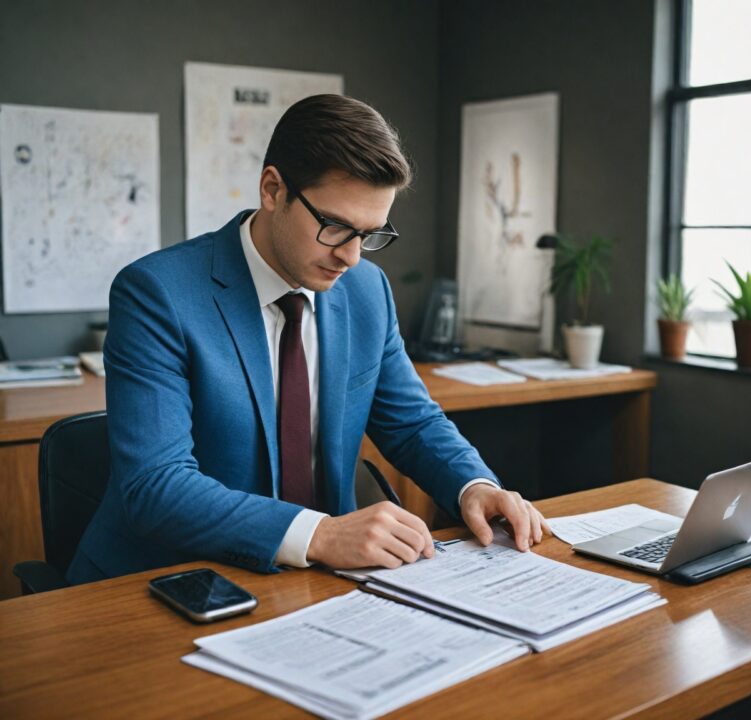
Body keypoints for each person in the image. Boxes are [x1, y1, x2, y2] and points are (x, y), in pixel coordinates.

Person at [67, 94, 550, 584]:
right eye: (336, 227)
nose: (353, 258)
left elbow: (411, 424)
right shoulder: (158, 293)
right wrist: (319, 535)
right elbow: (156, 486)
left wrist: (473, 485)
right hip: (170, 583)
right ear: (273, 190)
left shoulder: (367, 291)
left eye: (372, 233)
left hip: (321, 583)